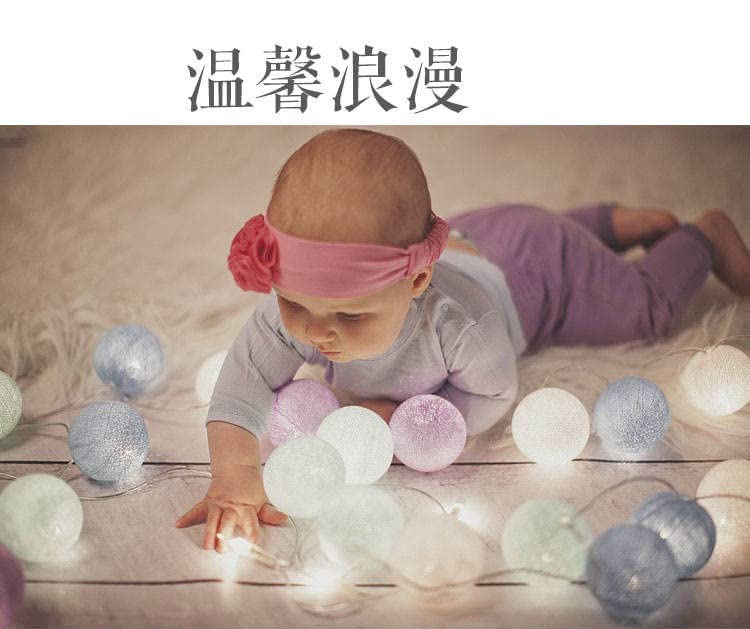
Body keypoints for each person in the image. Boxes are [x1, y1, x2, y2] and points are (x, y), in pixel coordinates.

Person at [176, 128, 750, 553]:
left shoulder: (461, 326)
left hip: (543, 271)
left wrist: (405, 418)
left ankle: (702, 235)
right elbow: (245, 379)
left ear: (417, 280)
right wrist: (234, 477)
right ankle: (609, 223)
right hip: (484, 231)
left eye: (350, 316)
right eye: (295, 303)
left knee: (641, 310)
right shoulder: (301, 308)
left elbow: (494, 394)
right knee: (534, 227)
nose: (317, 331)